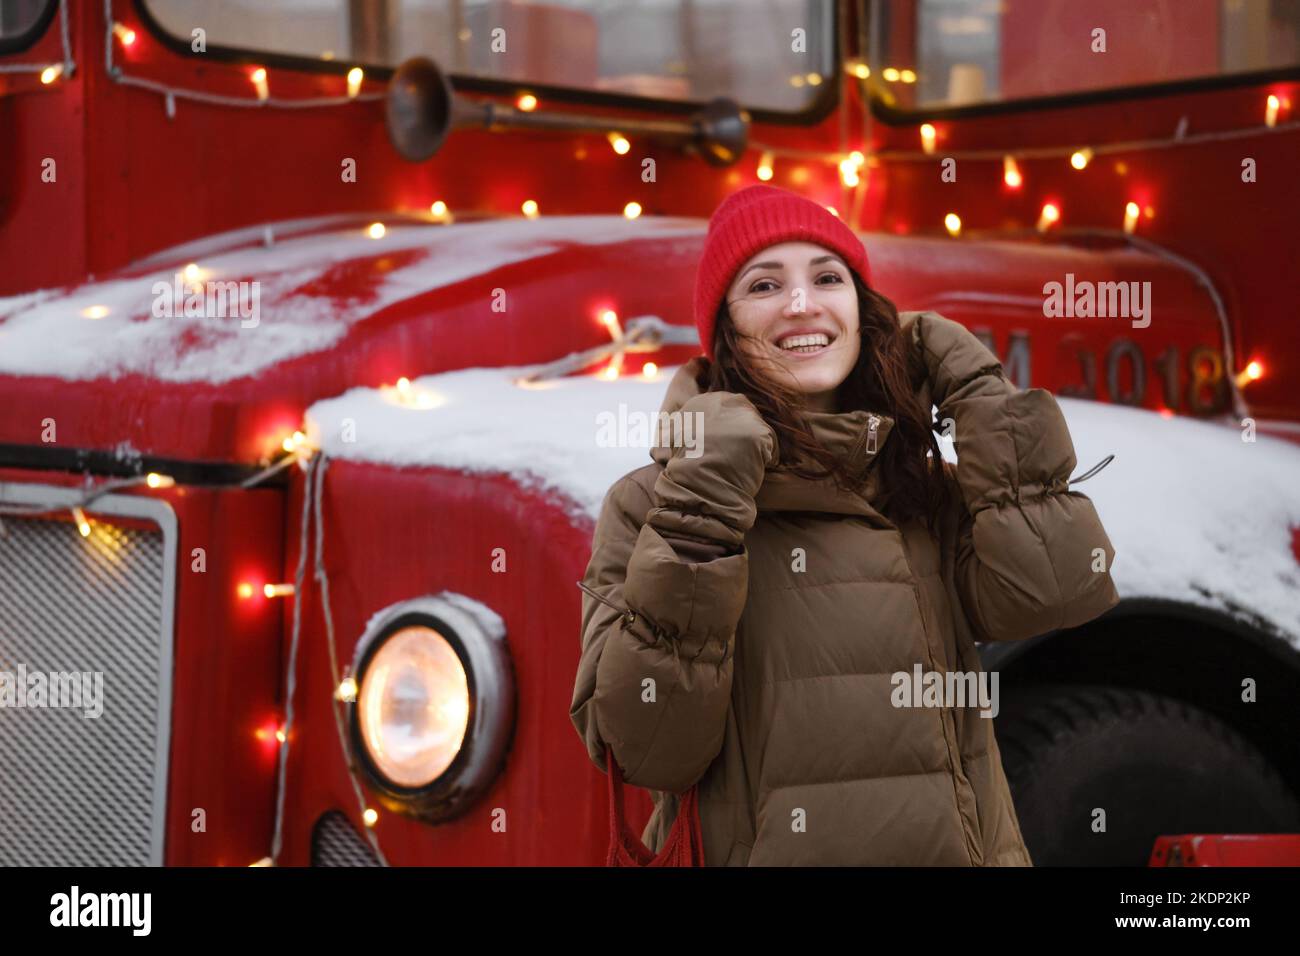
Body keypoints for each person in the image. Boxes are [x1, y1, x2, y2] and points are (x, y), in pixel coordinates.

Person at [569, 184, 1119, 866]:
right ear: (727, 330)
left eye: (828, 278)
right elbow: (645, 745)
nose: (802, 304)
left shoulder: (916, 488)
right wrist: (706, 500)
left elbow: (1057, 590)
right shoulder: (655, 503)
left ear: (865, 313)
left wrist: (978, 390)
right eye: (765, 284)